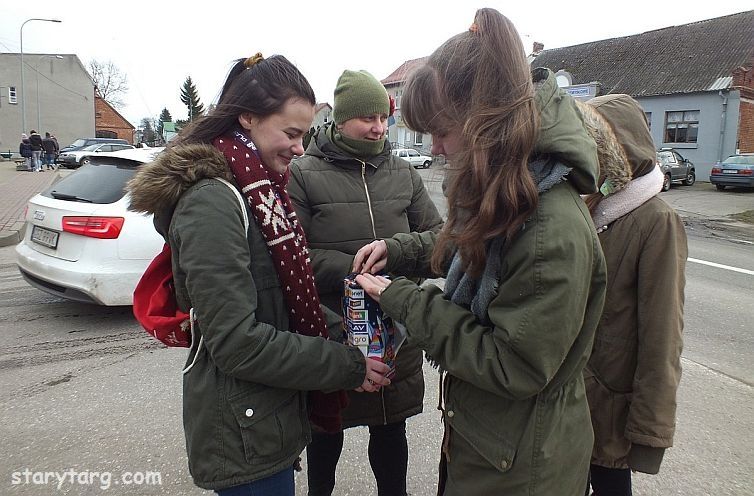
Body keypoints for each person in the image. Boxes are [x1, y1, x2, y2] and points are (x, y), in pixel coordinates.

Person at [352, 8, 608, 495]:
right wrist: (398, 250)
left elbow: (512, 364)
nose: (437, 148)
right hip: (494, 444)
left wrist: (404, 299)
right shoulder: (513, 192)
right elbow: (467, 246)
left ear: (485, 118)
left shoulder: (546, 227)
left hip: (523, 468)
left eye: (443, 131)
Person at [126, 53, 391, 496]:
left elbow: (287, 298)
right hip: (243, 430)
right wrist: (346, 364)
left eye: (305, 134)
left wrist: (349, 335)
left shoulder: (261, 189)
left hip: (268, 415)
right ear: (247, 117)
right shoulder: (214, 199)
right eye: (291, 133)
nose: (301, 147)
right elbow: (237, 342)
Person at [288, 69, 444, 496]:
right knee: (326, 432)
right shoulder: (303, 173)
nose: (378, 127)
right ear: (340, 120)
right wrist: (354, 273)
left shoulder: (403, 174)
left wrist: (398, 250)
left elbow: (441, 240)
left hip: (395, 327)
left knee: (391, 432)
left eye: (384, 117)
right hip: (334, 327)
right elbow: (291, 256)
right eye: (367, 118)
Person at [578, 94, 687, 495]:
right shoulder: (591, 210)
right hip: (573, 402)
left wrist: (649, 431)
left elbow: (663, 336)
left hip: (611, 408)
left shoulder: (656, 222)